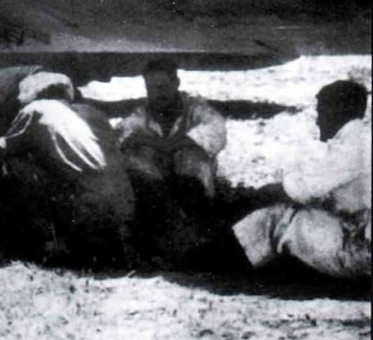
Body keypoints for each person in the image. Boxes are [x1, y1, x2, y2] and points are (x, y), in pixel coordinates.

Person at [0, 71, 137, 267]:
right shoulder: (91, 112)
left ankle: (42, 240)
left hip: (84, 205)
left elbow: (4, 149)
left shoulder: (36, 109)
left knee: (12, 165)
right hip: (123, 204)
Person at [232, 80, 370, 280]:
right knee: (307, 214)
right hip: (361, 239)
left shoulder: (352, 148)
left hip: (361, 254)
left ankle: (209, 262)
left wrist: (244, 198)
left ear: (340, 110)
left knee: (281, 217)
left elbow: (297, 189)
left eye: (321, 112)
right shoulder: (362, 140)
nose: (317, 121)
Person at [116, 58, 227, 266]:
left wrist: (166, 145)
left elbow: (216, 131)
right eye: (151, 88)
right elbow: (121, 136)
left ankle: (198, 229)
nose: (158, 93)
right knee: (133, 158)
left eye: (163, 86)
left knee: (191, 154)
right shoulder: (142, 114)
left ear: (177, 83)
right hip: (158, 195)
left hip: (194, 194)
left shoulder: (196, 109)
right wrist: (158, 146)